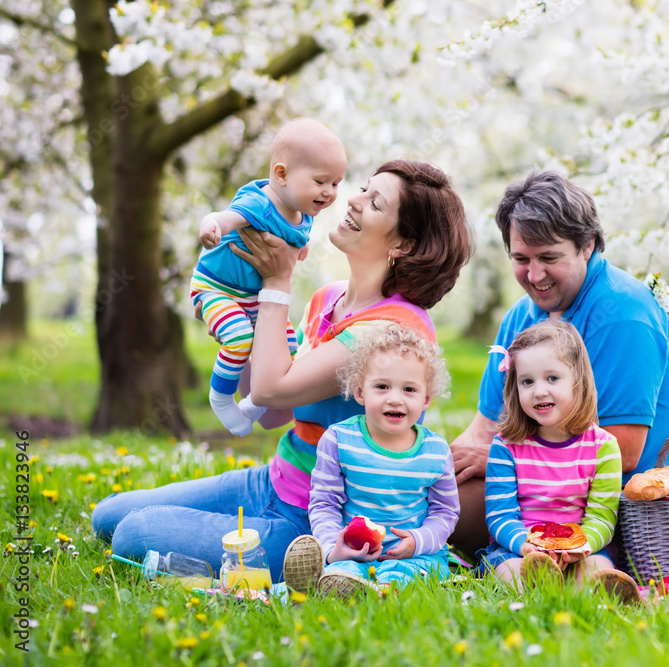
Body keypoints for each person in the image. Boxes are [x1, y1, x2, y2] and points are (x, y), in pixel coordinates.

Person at [92, 160, 472, 583]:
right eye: (363, 188)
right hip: (273, 482)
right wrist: (236, 323)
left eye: (375, 202)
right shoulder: (329, 299)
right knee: (106, 516)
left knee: (133, 534)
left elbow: (273, 389)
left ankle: (297, 570)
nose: (353, 199)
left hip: (316, 523)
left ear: (403, 244)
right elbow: (274, 412)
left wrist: (277, 281)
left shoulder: (390, 331)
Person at [449, 169, 669, 558]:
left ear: (587, 245)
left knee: (445, 510)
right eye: (521, 259)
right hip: (527, 484)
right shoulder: (521, 318)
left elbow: (621, 451)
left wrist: (496, 458)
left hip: (602, 502)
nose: (534, 275)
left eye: (549, 258)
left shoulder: (625, 314)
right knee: (422, 490)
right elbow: (483, 427)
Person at [191, 118, 347, 436]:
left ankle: (252, 406)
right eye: (321, 181)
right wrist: (211, 227)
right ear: (281, 174)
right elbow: (225, 216)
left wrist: (295, 256)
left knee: (286, 350)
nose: (329, 192)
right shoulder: (260, 204)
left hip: (252, 297)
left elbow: (296, 245)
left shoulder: (303, 214)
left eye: (335, 184)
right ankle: (220, 397)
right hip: (217, 288)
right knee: (238, 338)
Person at [280, 324, 458, 598]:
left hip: (416, 557)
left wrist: (418, 541)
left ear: (426, 399)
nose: (395, 399)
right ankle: (333, 580)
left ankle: (375, 590)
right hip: (352, 551)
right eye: (382, 387)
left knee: (401, 576)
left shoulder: (435, 451)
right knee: (344, 571)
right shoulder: (339, 440)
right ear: (361, 392)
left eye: (409, 389)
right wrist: (332, 549)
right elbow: (324, 503)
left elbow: (445, 513)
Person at [478, 320, 641, 604]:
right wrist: (526, 545)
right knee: (509, 571)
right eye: (527, 381)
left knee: (596, 569)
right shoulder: (506, 445)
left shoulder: (603, 447)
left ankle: (596, 594)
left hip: (579, 550)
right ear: (514, 389)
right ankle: (540, 587)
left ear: (578, 380)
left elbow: (602, 518)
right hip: (520, 550)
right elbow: (499, 515)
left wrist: (582, 546)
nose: (539, 391)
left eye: (552, 378)